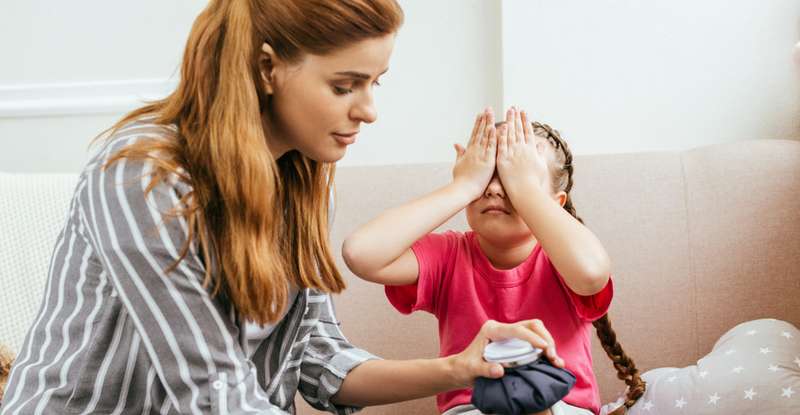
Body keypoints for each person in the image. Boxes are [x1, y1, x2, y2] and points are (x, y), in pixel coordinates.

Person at [0, 1, 565, 414]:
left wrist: (460, 368)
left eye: (376, 83)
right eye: (346, 85)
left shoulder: (301, 175)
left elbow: (317, 357)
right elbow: (212, 393)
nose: (369, 110)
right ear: (269, 69)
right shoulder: (140, 176)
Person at [342, 107, 646, 415]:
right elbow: (361, 253)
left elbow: (592, 273)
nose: (496, 187)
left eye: (515, 177)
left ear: (554, 204)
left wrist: (524, 190)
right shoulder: (448, 256)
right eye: (488, 174)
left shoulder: (564, 256)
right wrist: (464, 186)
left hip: (562, 406)